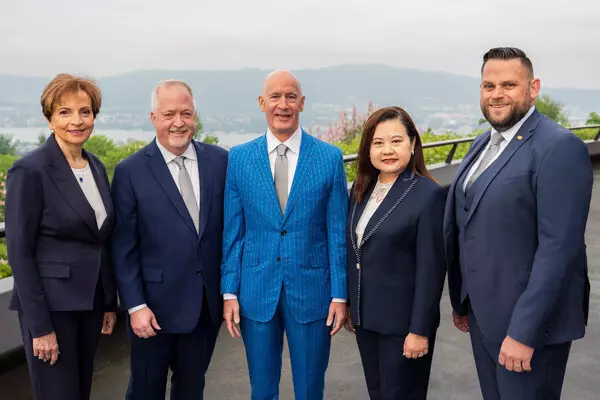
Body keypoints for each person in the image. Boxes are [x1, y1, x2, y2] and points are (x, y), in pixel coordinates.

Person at [445, 47, 593, 399]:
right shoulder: (482, 143)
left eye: (509, 85)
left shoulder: (560, 147)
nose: (497, 94)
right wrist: (463, 301)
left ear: (533, 87)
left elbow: (559, 249)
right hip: (483, 316)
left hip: (527, 328)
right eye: (488, 86)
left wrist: (524, 332)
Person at [221, 69, 348, 400]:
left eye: (291, 96)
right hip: (255, 289)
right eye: (275, 97)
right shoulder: (239, 158)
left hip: (312, 290)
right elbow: (234, 232)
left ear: (302, 103)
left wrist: (339, 294)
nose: (283, 104)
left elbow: (336, 232)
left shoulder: (329, 158)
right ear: (261, 103)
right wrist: (229, 292)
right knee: (262, 390)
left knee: (310, 389)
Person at [110, 79, 228, 400]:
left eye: (186, 114)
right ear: (154, 118)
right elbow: (123, 247)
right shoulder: (130, 171)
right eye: (169, 114)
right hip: (153, 310)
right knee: (145, 391)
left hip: (204, 307)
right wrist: (135, 306)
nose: (178, 122)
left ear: (195, 117)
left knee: (192, 390)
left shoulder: (221, 162)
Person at [5, 73, 117, 400]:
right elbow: (20, 252)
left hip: (90, 303)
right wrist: (40, 326)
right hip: (52, 309)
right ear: (49, 118)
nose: (76, 121)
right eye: (65, 112)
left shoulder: (95, 166)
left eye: (85, 111)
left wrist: (108, 302)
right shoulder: (30, 170)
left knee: (80, 392)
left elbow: (100, 239)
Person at [344, 106, 446, 400]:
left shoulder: (428, 194)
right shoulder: (361, 190)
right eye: (378, 142)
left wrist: (420, 330)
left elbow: (431, 270)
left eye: (396, 141)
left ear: (413, 144)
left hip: (403, 326)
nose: (387, 150)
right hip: (367, 320)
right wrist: (351, 305)